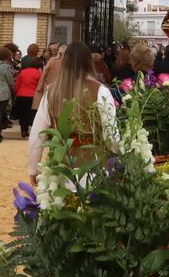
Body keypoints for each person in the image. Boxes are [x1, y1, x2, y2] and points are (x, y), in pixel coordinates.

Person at [26, 42, 119, 181]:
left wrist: (33, 167)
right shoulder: (101, 91)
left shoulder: (51, 91)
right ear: (89, 62)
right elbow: (111, 133)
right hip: (93, 162)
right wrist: (116, 160)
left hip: (60, 162)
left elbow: (38, 133)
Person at [12, 50, 42, 139]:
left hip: (21, 94)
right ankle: (27, 130)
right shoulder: (38, 73)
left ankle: (23, 130)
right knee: (29, 114)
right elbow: (39, 86)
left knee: (22, 113)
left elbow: (18, 83)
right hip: (32, 95)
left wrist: (16, 92)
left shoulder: (23, 72)